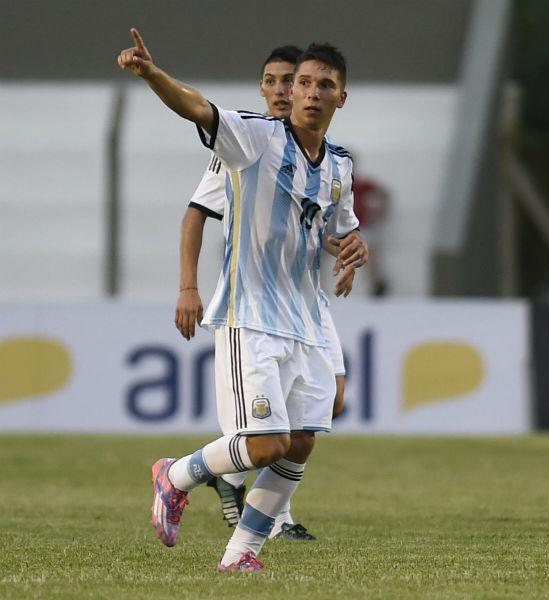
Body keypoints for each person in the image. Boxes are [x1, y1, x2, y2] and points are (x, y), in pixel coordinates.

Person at [118, 29, 366, 571]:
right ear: (291, 91)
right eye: (304, 83)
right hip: (250, 314)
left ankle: (240, 555)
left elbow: (337, 227)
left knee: (300, 442)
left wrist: (354, 246)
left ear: (341, 98)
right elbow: (197, 108)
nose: (312, 93)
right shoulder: (253, 138)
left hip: (306, 320)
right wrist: (154, 75)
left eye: (325, 85)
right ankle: (175, 474)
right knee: (265, 445)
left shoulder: (340, 166)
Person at [175, 45, 360, 540]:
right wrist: (189, 286)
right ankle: (267, 512)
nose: (284, 90)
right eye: (276, 81)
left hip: (307, 300)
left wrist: (349, 248)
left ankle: (245, 494)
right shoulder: (244, 144)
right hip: (257, 303)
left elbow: (322, 224)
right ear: (267, 89)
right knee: (271, 436)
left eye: (292, 80)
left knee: (325, 408)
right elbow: (197, 213)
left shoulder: (334, 162)